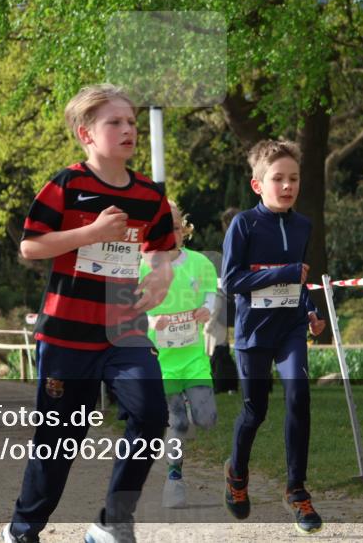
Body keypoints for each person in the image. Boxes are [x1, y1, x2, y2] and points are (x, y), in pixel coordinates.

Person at [1, 84, 175, 543]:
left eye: (131, 121)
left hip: (124, 333)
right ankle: (23, 529)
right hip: (66, 335)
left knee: (151, 415)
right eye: (114, 122)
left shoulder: (150, 195)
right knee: (60, 440)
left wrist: (161, 276)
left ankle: (112, 522)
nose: (128, 129)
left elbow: (162, 249)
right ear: (86, 134)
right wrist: (92, 232)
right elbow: (30, 247)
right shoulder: (67, 185)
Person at [221, 140, 327, 535]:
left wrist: (310, 309)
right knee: (255, 411)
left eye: (293, 179)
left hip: (290, 328)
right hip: (253, 332)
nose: (287, 186)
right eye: (278, 179)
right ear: (257, 185)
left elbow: (299, 279)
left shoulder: (303, 226)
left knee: (299, 395)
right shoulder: (244, 224)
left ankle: (296, 490)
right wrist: (282, 273)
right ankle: (237, 473)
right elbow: (232, 280)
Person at [140, 202, 219, 509]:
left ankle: (186, 419)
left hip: (194, 356)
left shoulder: (200, 263)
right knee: (177, 421)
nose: (168, 234)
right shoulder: (142, 266)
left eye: (173, 227)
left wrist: (206, 310)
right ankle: (174, 478)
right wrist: (150, 321)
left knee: (206, 418)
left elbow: (211, 293)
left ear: (183, 230)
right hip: (162, 359)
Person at [210, 207, 241, 395]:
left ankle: (224, 383)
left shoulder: (227, 244)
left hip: (226, 297)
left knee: (220, 344)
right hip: (237, 296)